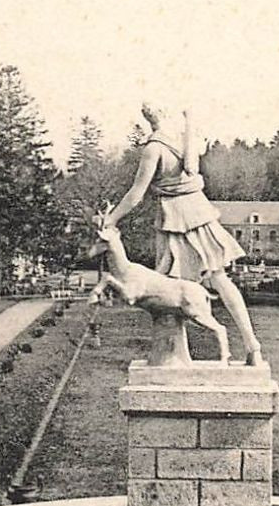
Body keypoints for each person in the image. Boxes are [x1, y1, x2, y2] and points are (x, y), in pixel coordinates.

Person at [96, 102, 262, 365]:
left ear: (149, 120)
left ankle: (172, 356)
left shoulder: (154, 149)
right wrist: (190, 123)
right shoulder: (184, 137)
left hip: (176, 217)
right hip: (197, 211)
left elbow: (137, 194)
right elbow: (193, 167)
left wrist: (111, 219)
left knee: (166, 284)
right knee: (216, 280)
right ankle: (249, 345)